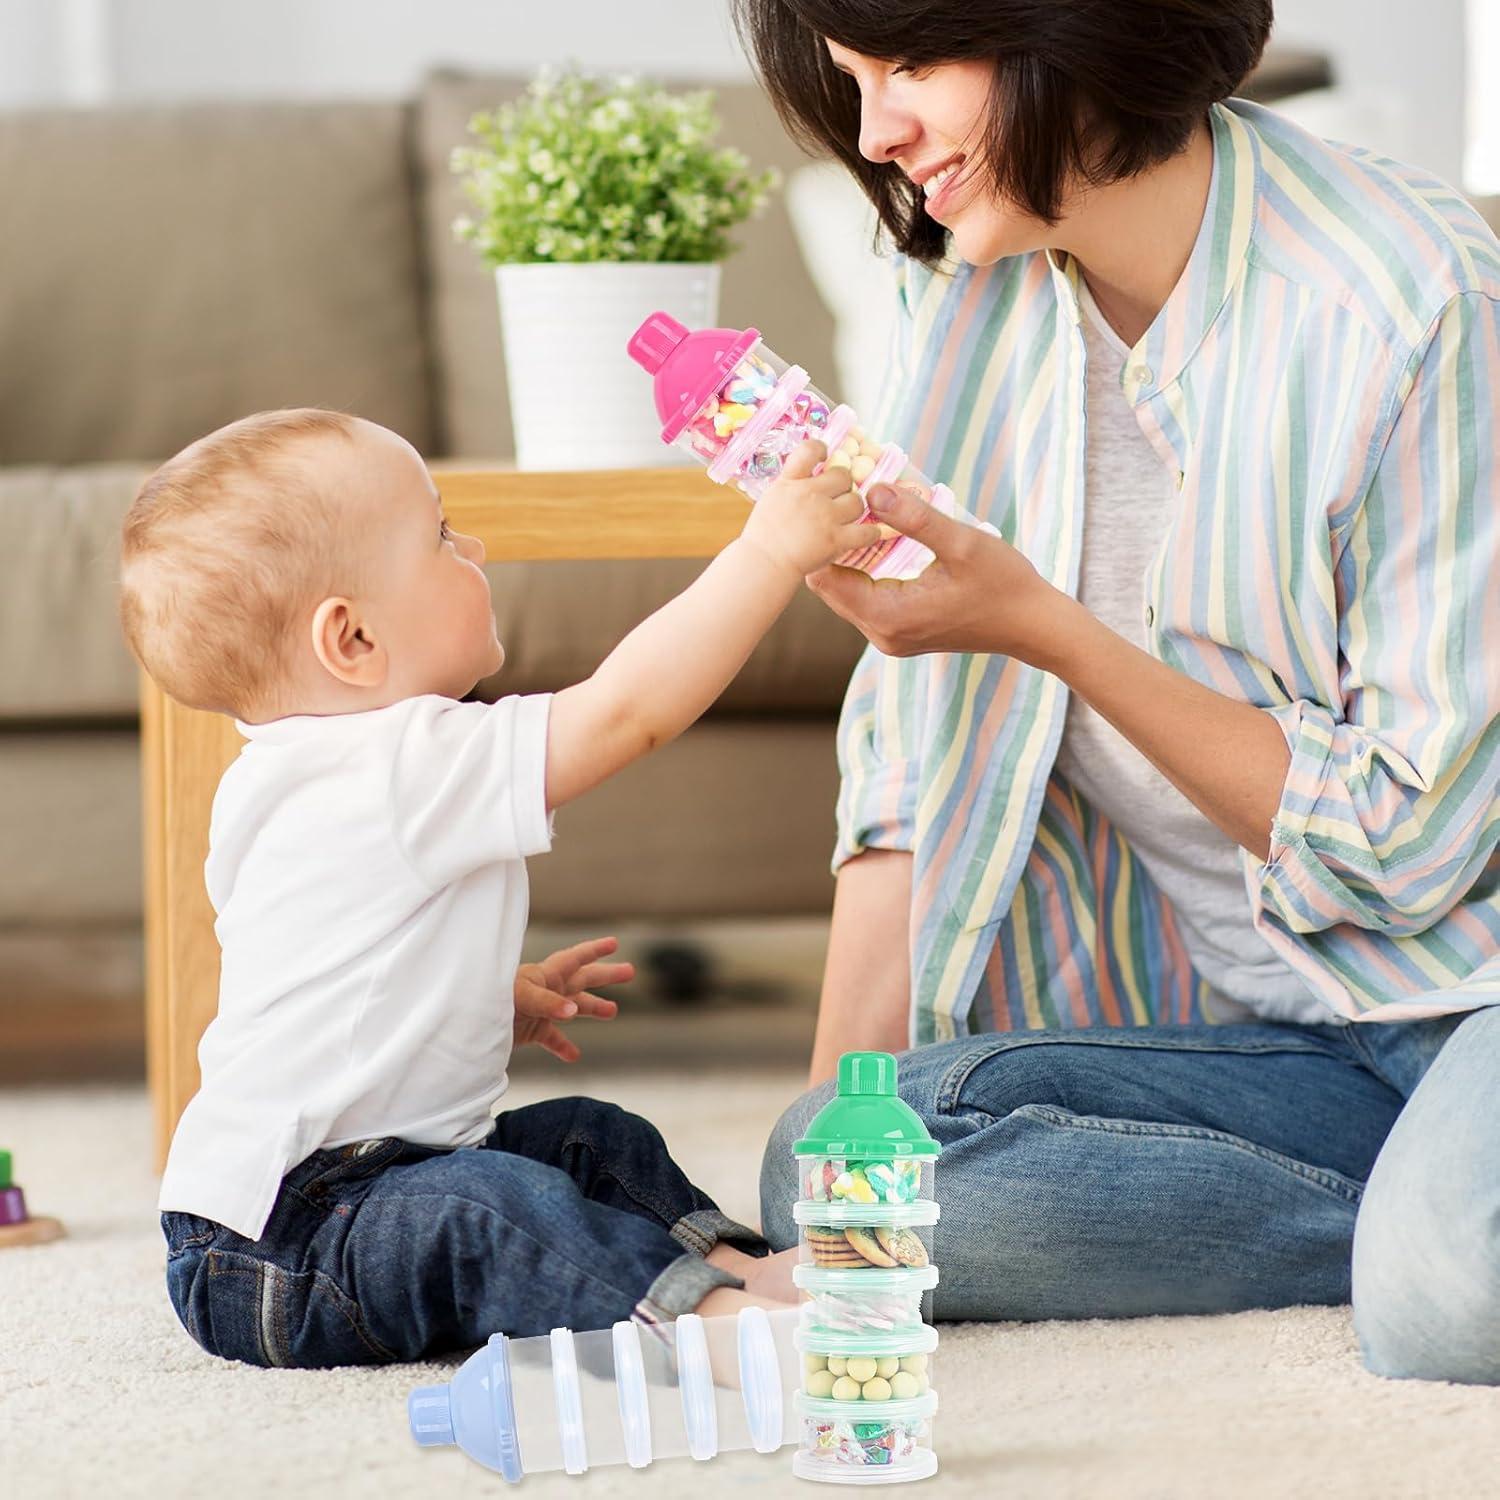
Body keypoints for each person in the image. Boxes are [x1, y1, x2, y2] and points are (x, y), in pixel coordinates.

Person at [735, 0, 1500, 1382]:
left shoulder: (1412, 299)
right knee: (833, 1175)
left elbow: (1412, 845)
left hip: (1470, 981)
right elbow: (918, 749)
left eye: (911, 65)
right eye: (852, 82)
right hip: (1281, 1033)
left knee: (1450, 1296)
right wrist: (824, 1171)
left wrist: (1045, 628)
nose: (875, 133)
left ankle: (1439, 1214)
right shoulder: (967, 283)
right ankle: (1429, 1187)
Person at [121, 408, 863, 1366]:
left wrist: (481, 997)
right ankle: (701, 1323)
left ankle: (735, 1268)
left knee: (590, 1139)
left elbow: (330, 972)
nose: (472, 546)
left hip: (335, 1197)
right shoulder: (393, 758)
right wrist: (768, 553)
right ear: (350, 640)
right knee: (485, 1209)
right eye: (439, 535)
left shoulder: (294, 771)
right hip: (285, 1246)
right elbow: (626, 712)